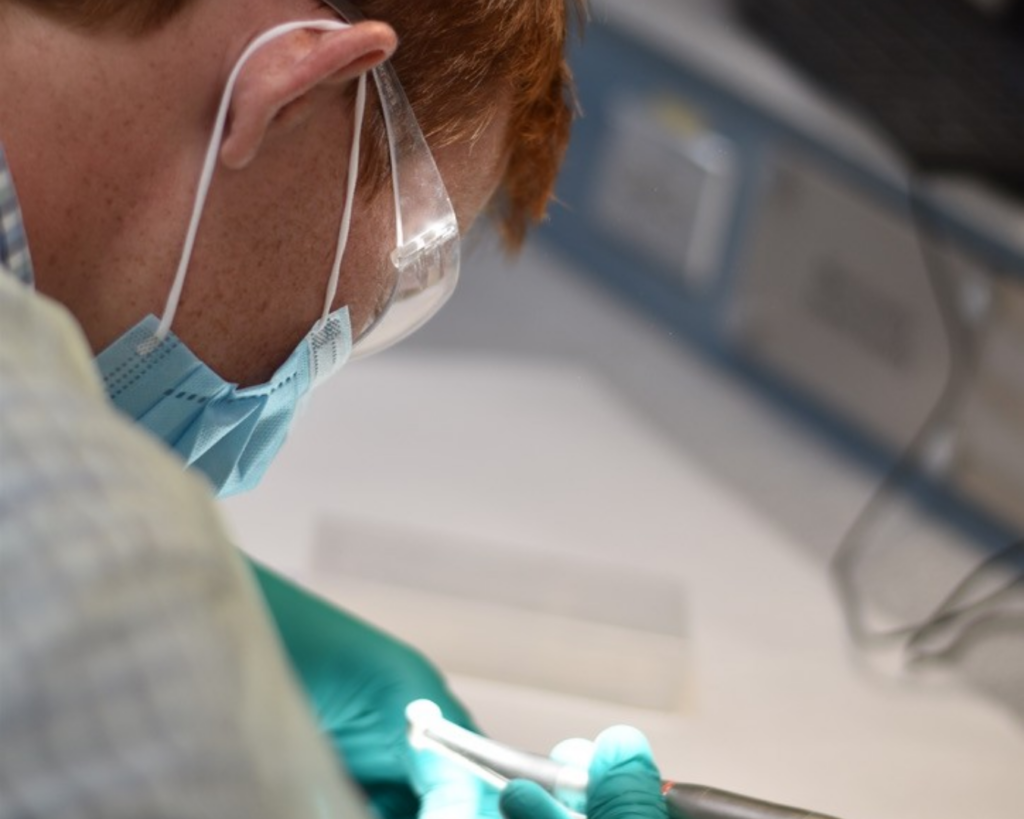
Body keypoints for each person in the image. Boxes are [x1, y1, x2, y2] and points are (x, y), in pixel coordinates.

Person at [0, 1, 671, 818]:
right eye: (387, 283)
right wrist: (150, 602)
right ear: (296, 95)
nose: (307, 364)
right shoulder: (59, 554)